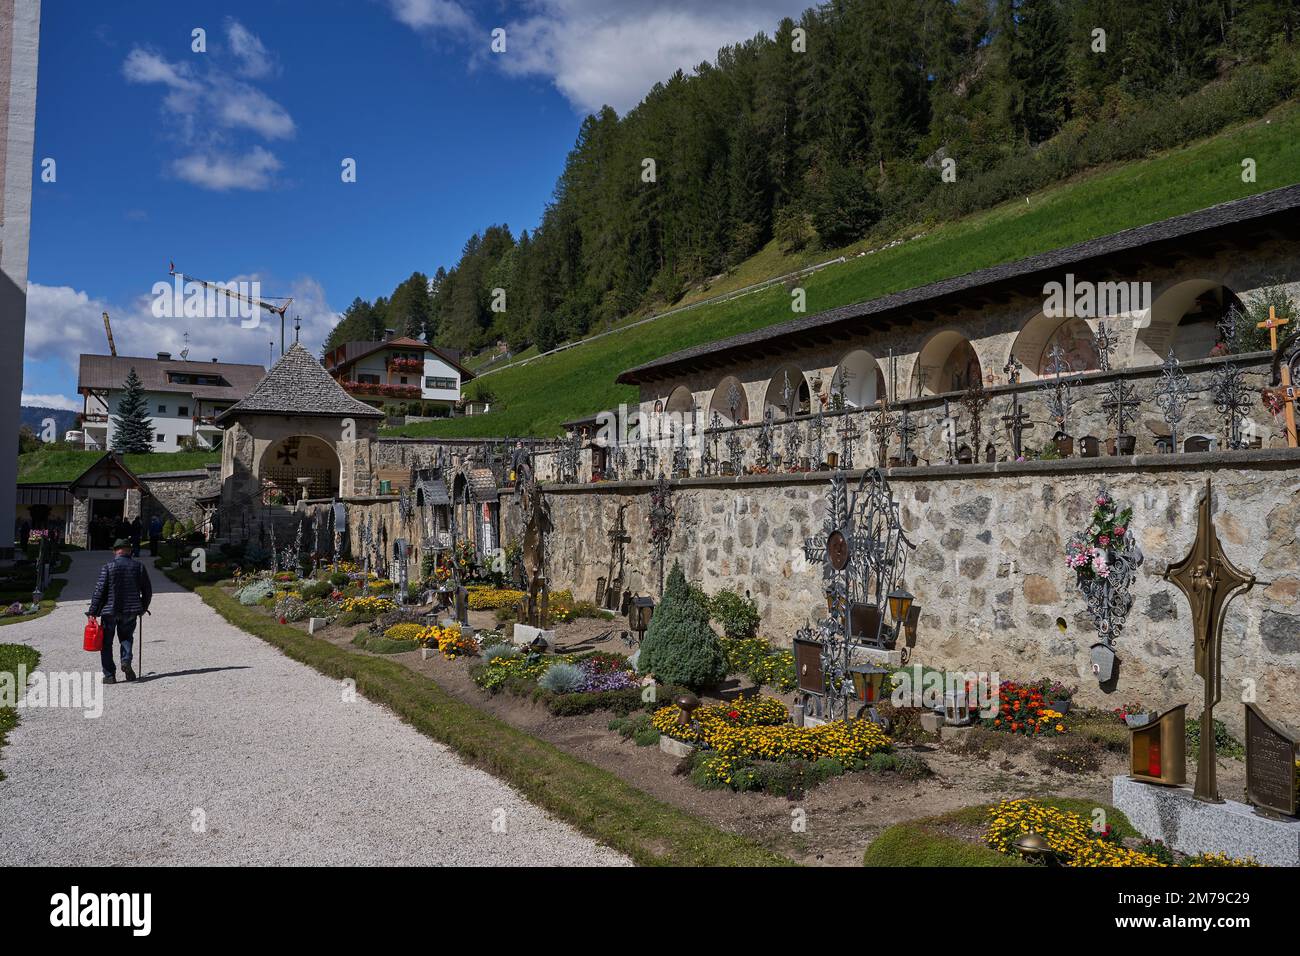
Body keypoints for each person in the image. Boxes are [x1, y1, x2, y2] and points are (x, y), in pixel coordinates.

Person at [87, 538, 152, 684]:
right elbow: (147, 590)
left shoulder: (108, 567)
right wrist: (143, 607)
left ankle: (109, 675)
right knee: (126, 638)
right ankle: (126, 660)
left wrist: (93, 611)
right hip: (130, 610)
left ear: (115, 551)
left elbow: (99, 591)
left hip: (109, 611)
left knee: (106, 643)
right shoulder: (139, 567)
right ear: (129, 551)